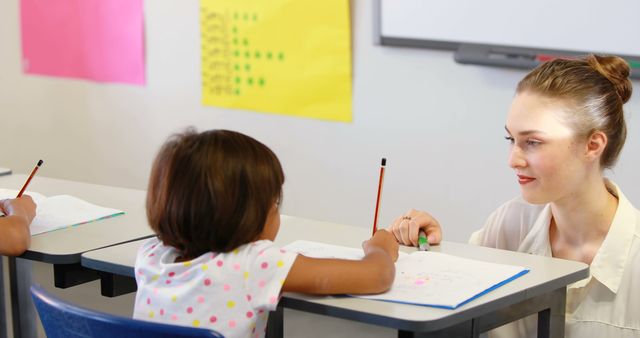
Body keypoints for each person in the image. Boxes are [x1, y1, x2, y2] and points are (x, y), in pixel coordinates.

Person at [390, 55, 639, 337]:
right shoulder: (509, 224)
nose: (513, 159)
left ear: (592, 145)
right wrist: (429, 250)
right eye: (511, 139)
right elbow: (455, 310)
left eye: (533, 142)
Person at [133, 129, 399, 338]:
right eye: (274, 204)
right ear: (245, 216)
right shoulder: (254, 264)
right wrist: (379, 247)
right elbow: (378, 276)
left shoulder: (150, 256)